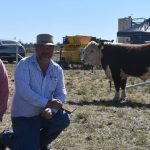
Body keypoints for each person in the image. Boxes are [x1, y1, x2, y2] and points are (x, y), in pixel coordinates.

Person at [0, 34, 70, 150]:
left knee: (63, 119)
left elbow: (61, 91)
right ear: (36, 48)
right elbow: (24, 91)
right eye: (42, 47)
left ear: (53, 49)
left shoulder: (57, 69)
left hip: (44, 114)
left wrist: (52, 110)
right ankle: (5, 137)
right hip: (24, 117)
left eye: (49, 47)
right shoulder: (24, 64)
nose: (45, 50)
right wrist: (47, 103)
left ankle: (41, 143)